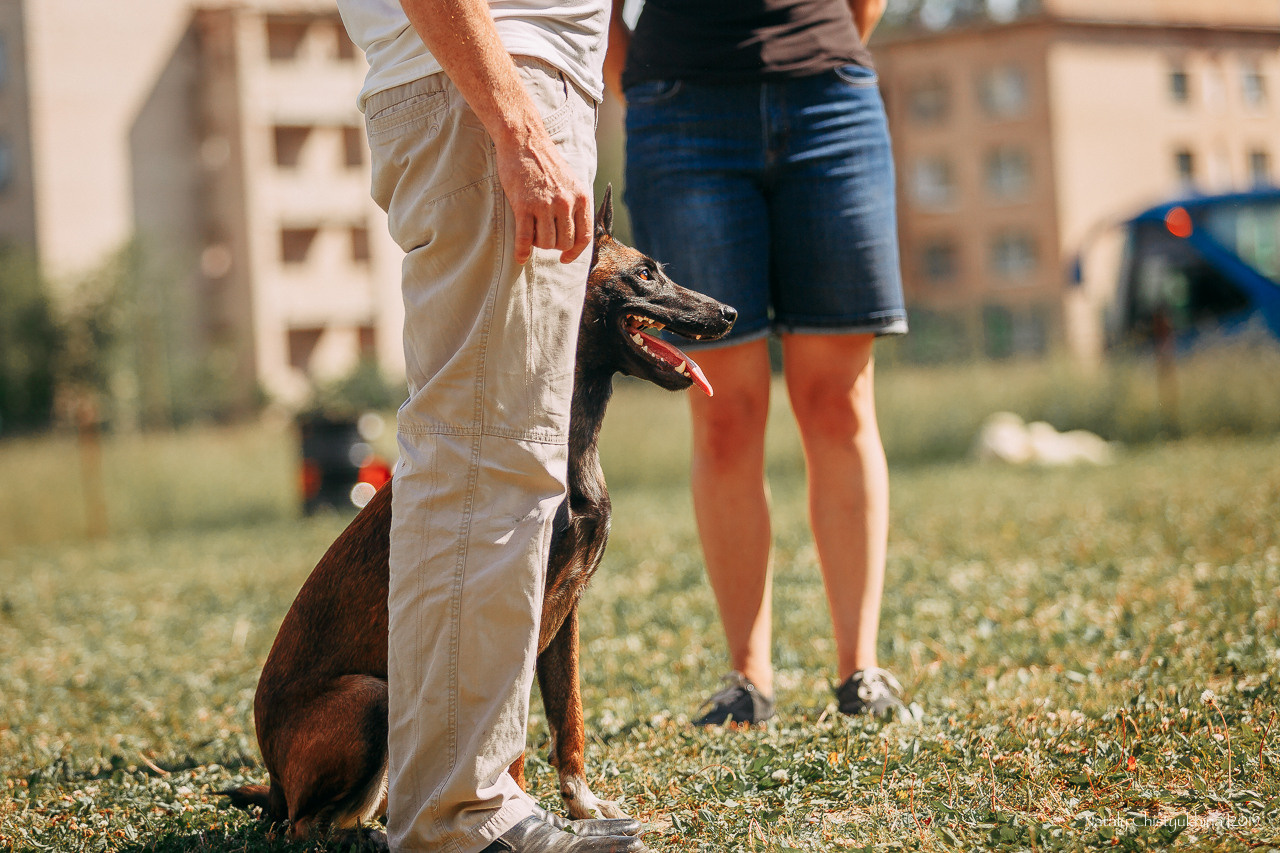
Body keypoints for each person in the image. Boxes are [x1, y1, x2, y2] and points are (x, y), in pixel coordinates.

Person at [335, 1, 646, 851]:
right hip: (489, 86)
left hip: (488, 84)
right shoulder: (499, 97)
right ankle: (458, 814)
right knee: (487, 459)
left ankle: (462, 799)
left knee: (494, 458)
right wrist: (514, 118)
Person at [605, 0, 915, 726]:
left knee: (837, 400)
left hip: (830, 102)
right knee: (725, 413)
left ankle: (859, 671)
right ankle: (748, 678)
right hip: (679, 116)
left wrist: (818, 53)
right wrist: (645, 84)